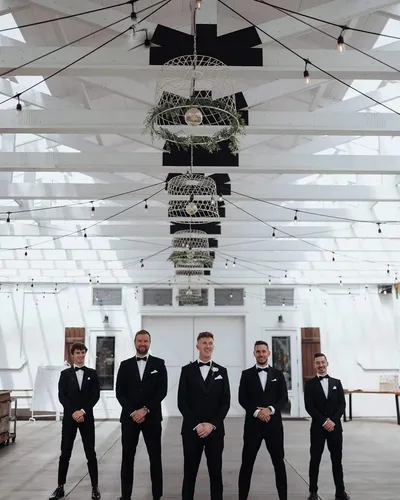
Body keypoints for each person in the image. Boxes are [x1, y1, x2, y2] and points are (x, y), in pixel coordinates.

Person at [177, 331, 231, 500]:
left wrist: (212, 424)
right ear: (197, 346)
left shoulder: (222, 371)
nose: (208, 346)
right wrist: (197, 425)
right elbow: (182, 402)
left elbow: (225, 402)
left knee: (216, 473)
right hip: (192, 431)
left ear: (213, 346)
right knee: (189, 473)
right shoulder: (186, 371)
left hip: (215, 431)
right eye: (204, 343)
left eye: (210, 343)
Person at [116, 329, 168, 500]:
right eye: (140, 341)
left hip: (152, 418)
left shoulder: (159, 364)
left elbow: (162, 391)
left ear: (149, 343)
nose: (142, 344)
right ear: (135, 342)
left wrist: (145, 410)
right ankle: (125, 496)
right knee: (127, 458)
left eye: (145, 341)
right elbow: (120, 392)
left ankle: (157, 496)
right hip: (129, 419)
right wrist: (133, 412)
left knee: (155, 458)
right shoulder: (125, 365)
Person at [50, 342, 101, 500]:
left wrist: (83, 411)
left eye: (83, 352)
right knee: (65, 453)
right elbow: (62, 396)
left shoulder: (92, 373)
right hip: (70, 419)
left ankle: (95, 487)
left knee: (90, 453)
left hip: (86, 418)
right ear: (72, 355)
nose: (80, 355)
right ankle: (60, 487)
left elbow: (95, 395)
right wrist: (74, 412)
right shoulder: (65, 374)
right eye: (78, 353)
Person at [238, 340, 288, 500]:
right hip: (253, 426)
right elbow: (242, 398)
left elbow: (283, 398)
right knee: (247, 464)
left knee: (279, 463)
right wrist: (257, 412)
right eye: (258, 351)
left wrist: (270, 410)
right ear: (254, 353)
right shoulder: (246, 374)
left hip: (274, 427)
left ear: (269, 353)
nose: (261, 354)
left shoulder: (278, 374)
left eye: (263, 351)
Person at [304, 353, 350, 500]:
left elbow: (342, 404)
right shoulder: (309, 384)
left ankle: (340, 492)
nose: (321, 365)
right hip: (318, 428)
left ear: (327, 363)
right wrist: (324, 421)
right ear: (314, 365)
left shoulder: (337, 382)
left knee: (337, 460)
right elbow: (309, 407)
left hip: (335, 428)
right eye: (318, 363)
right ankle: (313, 492)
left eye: (323, 362)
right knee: (315, 459)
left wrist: (333, 421)